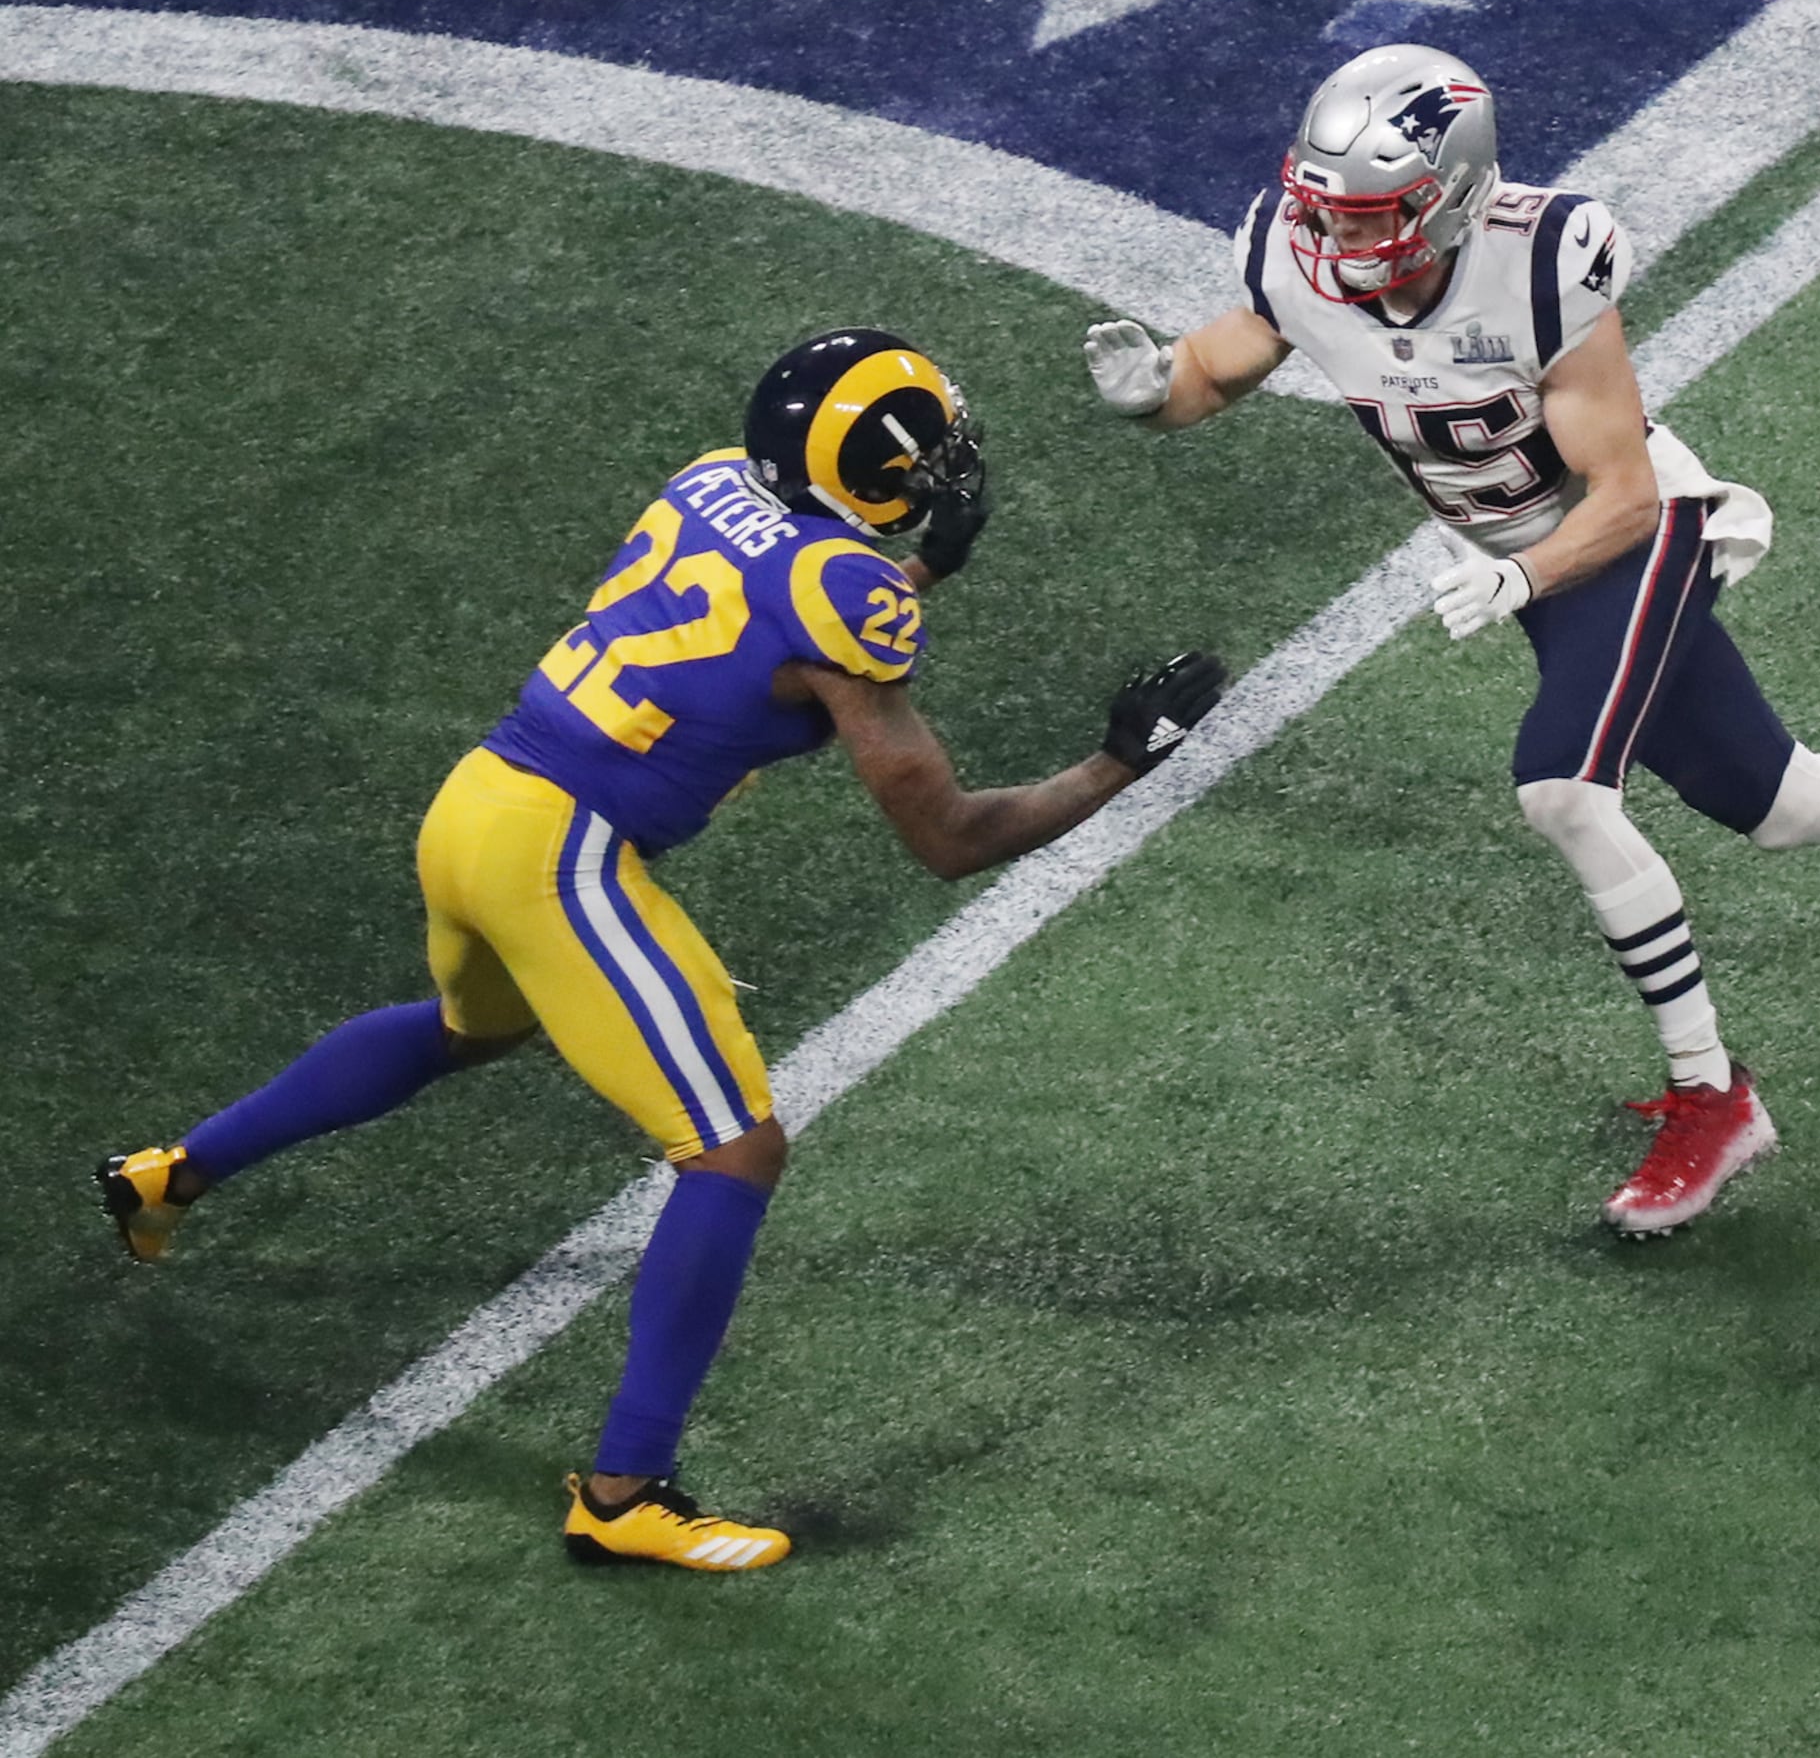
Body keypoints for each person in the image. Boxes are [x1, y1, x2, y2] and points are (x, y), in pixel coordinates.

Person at [98, 332, 1228, 1569]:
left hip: (477, 802)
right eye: (932, 453)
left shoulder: (713, 480)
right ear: (871, 473)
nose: (953, 467)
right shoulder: (845, 598)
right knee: (735, 1149)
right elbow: (949, 837)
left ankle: (171, 1175)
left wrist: (918, 569)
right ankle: (626, 1494)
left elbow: (775, 610)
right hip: (562, 857)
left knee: (474, 1030)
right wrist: (1124, 758)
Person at [1079, 45, 1820, 1236]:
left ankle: (1714, 1096)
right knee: (1782, 803)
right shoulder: (1298, 256)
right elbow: (1219, 362)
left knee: (1562, 792)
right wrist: (1159, 394)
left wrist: (1521, 575)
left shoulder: (1540, 265)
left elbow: (1625, 496)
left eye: (1375, 213)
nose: (1343, 241)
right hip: (1532, 571)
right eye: (1327, 209)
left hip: (1626, 540)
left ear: (1451, 194)